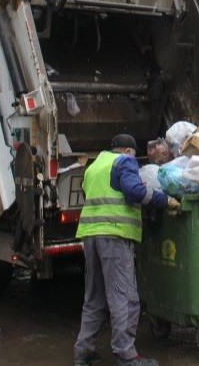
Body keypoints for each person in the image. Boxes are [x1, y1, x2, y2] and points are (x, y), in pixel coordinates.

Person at [73, 134, 179, 366]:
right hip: (114, 235)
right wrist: (164, 200)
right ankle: (126, 355)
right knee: (125, 297)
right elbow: (134, 191)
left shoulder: (95, 165)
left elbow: (88, 193)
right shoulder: (125, 162)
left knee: (94, 297)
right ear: (128, 151)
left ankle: (84, 351)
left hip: (91, 236)